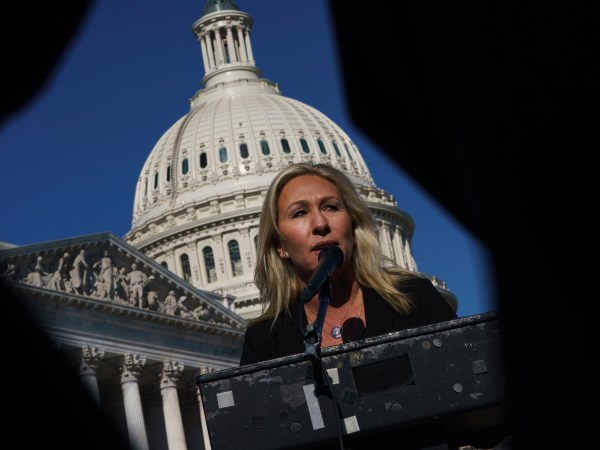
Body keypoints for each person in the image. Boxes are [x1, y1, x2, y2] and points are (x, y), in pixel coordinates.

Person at [239, 162, 458, 366]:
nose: (320, 223)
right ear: (280, 246)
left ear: (353, 228)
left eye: (331, 207)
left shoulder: (413, 299)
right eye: (300, 213)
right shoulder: (265, 340)